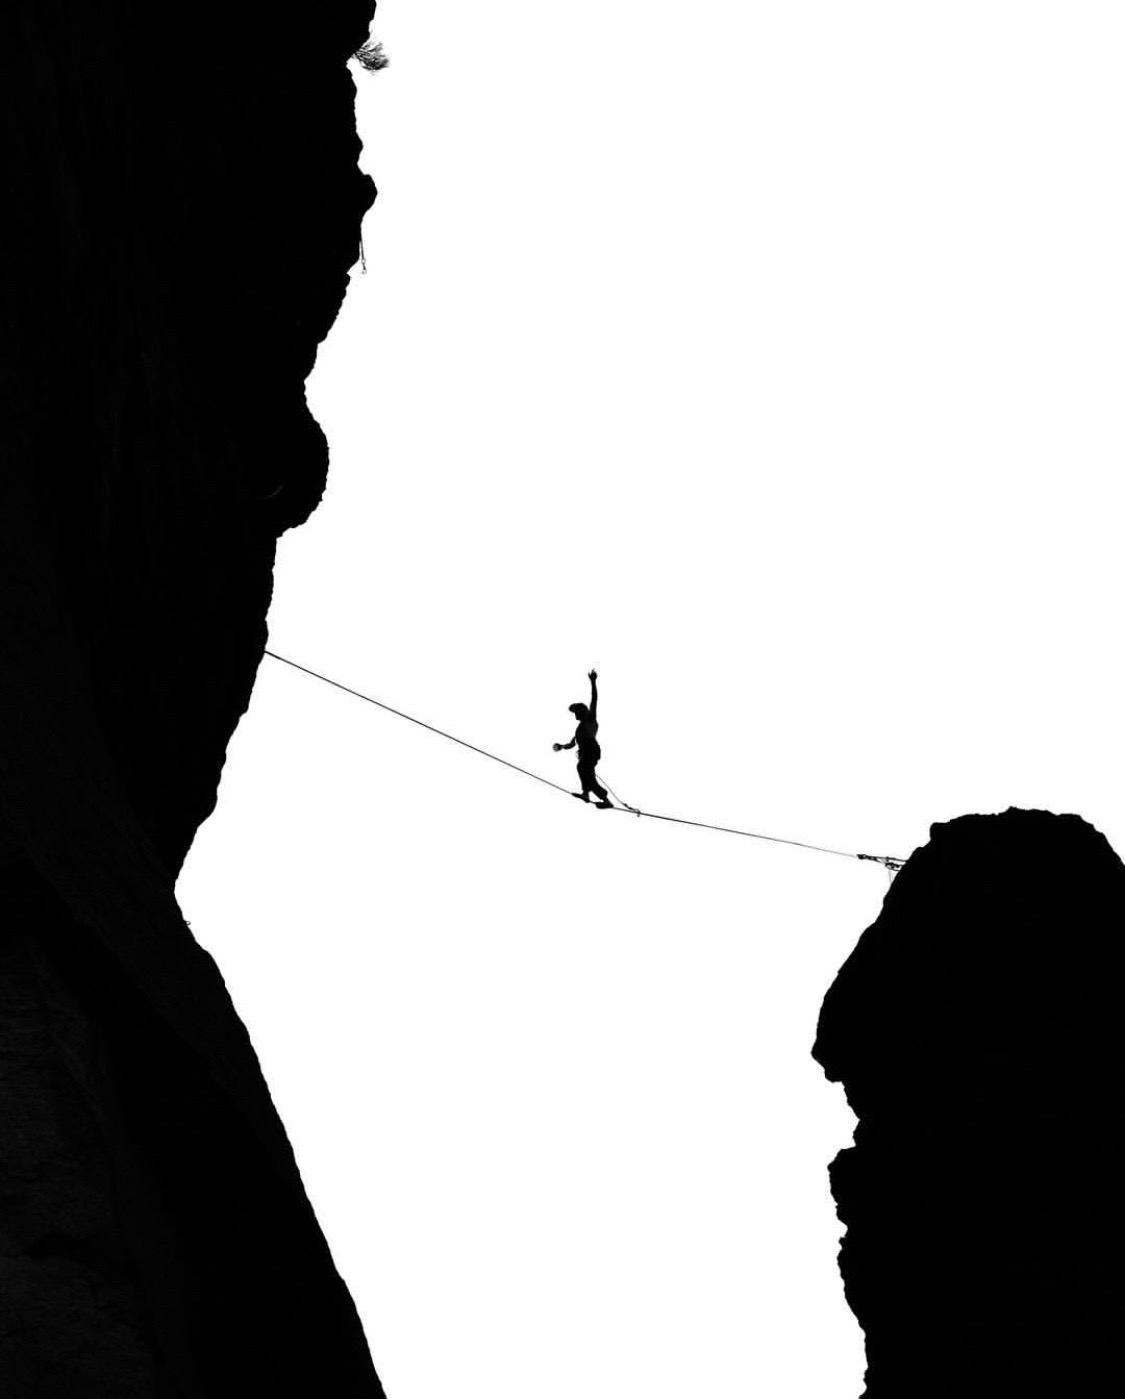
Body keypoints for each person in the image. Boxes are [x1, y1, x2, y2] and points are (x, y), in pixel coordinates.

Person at [553, 669, 613, 807]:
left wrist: (593, 682)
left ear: (583, 711)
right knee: (585, 772)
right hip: (586, 752)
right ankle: (590, 794)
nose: (575, 715)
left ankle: (597, 796)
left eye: (577, 712)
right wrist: (562, 746)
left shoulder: (590, 719)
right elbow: (571, 744)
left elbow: (594, 699)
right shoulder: (578, 730)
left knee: (582, 768)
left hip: (591, 749)